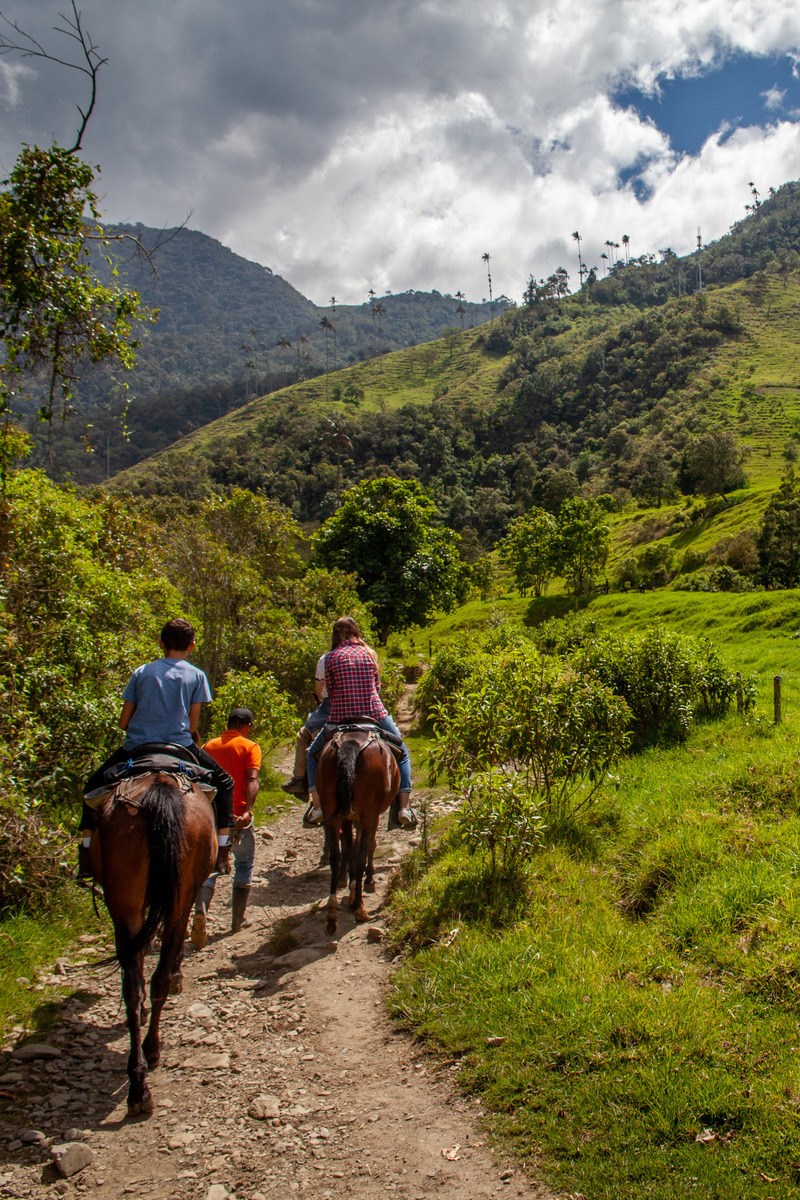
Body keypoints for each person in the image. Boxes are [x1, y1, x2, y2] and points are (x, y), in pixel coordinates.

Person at [78, 618, 234, 879]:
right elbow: (193, 725)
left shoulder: (142, 672)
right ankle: (222, 850)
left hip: (137, 747)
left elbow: (123, 722)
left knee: (92, 785)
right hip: (180, 746)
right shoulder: (197, 675)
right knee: (225, 782)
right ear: (192, 646)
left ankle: (85, 853)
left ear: (161, 643)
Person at [305, 616, 415, 829]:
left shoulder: (329, 657)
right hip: (374, 713)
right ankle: (404, 807)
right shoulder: (369, 653)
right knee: (401, 750)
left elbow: (330, 691)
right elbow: (377, 686)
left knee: (312, 754)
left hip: (340, 716)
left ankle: (317, 806)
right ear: (356, 631)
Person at [190, 708, 262, 948]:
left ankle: (201, 909)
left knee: (209, 866)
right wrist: (247, 809)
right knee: (244, 862)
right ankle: (237, 920)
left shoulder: (208, 746)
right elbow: (252, 779)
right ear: (247, 726)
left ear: (228, 724)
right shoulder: (250, 747)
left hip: (211, 817)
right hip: (237, 817)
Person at [280, 653, 330, 797]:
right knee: (389, 737)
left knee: (303, 734)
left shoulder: (327, 658)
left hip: (331, 706)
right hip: (365, 708)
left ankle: (299, 780)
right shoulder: (368, 653)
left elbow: (319, 691)